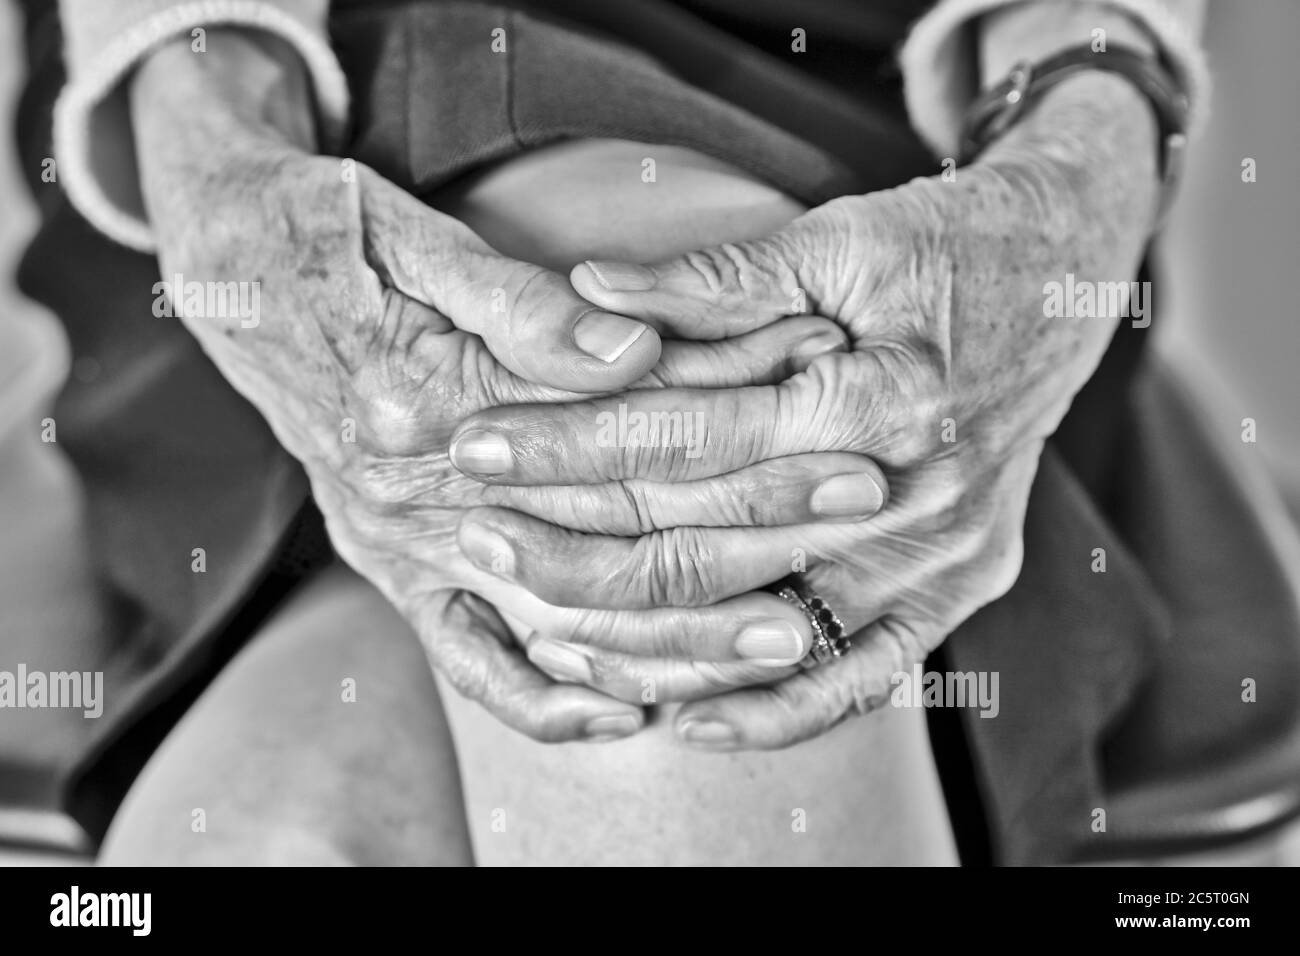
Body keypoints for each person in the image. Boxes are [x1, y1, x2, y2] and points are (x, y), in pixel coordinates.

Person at [22, 0, 1279, 865]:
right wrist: (209, 143)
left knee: (280, 834)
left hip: (900, 106)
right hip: (273, 80)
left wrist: (1080, 142)